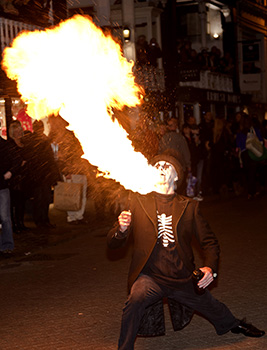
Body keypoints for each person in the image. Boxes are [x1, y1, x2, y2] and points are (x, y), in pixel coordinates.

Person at [107, 153, 265, 350]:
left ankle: (235, 324)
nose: (161, 168)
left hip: (182, 278)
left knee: (211, 305)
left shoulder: (189, 206)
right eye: (157, 165)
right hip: (151, 277)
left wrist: (210, 268)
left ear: (176, 176)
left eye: (167, 165)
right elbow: (113, 244)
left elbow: (210, 243)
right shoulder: (138, 202)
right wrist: (121, 230)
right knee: (135, 300)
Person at [48, 115, 88, 225]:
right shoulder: (58, 136)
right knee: (71, 194)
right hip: (71, 170)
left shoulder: (70, 134)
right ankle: (72, 217)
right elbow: (60, 156)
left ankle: (79, 216)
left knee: (81, 193)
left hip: (80, 168)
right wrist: (66, 171)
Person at [28, 120, 61, 228]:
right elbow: (48, 159)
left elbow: (49, 159)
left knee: (44, 199)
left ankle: (43, 220)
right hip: (39, 176)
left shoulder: (42, 140)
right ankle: (41, 220)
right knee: (40, 199)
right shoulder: (36, 140)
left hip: (42, 175)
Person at [0, 135, 21, 256]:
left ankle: (7, 245)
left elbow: (17, 160)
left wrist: (10, 172)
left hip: (1, 186)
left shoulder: (5, 144)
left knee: (5, 217)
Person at [158, 117, 191, 194]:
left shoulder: (164, 138)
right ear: (176, 126)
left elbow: (160, 153)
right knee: (179, 189)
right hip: (179, 167)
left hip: (166, 167)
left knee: (168, 189)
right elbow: (185, 152)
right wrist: (188, 166)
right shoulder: (180, 138)